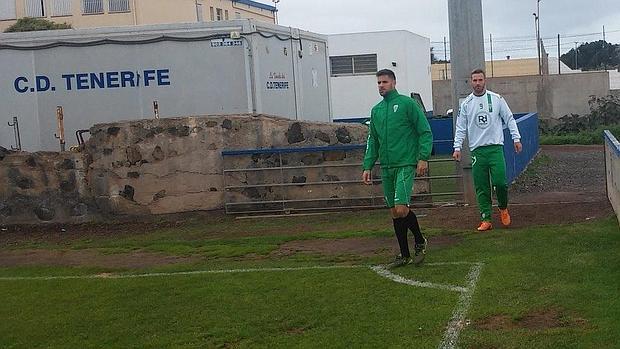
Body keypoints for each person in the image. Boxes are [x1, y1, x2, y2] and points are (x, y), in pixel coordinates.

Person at [362, 69, 433, 267]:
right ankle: (404, 255)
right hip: (386, 166)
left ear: (393, 82)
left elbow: (424, 132)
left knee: (402, 209)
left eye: (384, 82)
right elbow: (372, 140)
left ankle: (420, 240)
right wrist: (367, 165)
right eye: (378, 83)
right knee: (394, 212)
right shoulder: (376, 110)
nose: (381, 86)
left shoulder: (407, 104)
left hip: (405, 163)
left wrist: (423, 157)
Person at [452, 69, 522, 231]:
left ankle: (503, 207)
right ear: (471, 82)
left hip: (495, 148)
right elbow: (461, 127)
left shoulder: (496, 99)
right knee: (482, 186)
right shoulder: (467, 104)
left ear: (485, 81)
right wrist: (457, 147)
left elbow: (509, 118)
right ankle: (486, 219)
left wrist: (516, 138)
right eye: (474, 80)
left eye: (480, 80)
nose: (477, 83)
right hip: (477, 151)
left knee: (500, 182)